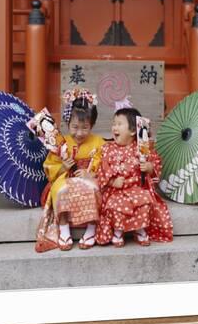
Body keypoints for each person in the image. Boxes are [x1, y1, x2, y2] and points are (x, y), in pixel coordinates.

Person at [35, 89, 105, 252]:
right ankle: (64, 227)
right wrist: (63, 167)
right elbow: (50, 168)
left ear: (92, 125)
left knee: (92, 188)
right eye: (74, 127)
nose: (79, 133)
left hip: (87, 177)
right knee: (61, 189)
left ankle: (91, 228)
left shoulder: (99, 143)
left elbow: (105, 165)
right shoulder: (60, 143)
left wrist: (91, 174)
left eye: (85, 127)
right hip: (64, 177)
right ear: (67, 124)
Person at [95, 105, 173, 247]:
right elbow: (102, 169)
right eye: (114, 124)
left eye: (119, 124)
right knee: (115, 205)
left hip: (136, 188)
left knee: (144, 201)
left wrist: (149, 168)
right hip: (117, 190)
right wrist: (112, 181)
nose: (114, 128)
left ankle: (140, 229)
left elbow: (155, 164)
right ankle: (118, 231)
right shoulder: (108, 148)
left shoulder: (142, 148)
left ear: (132, 131)